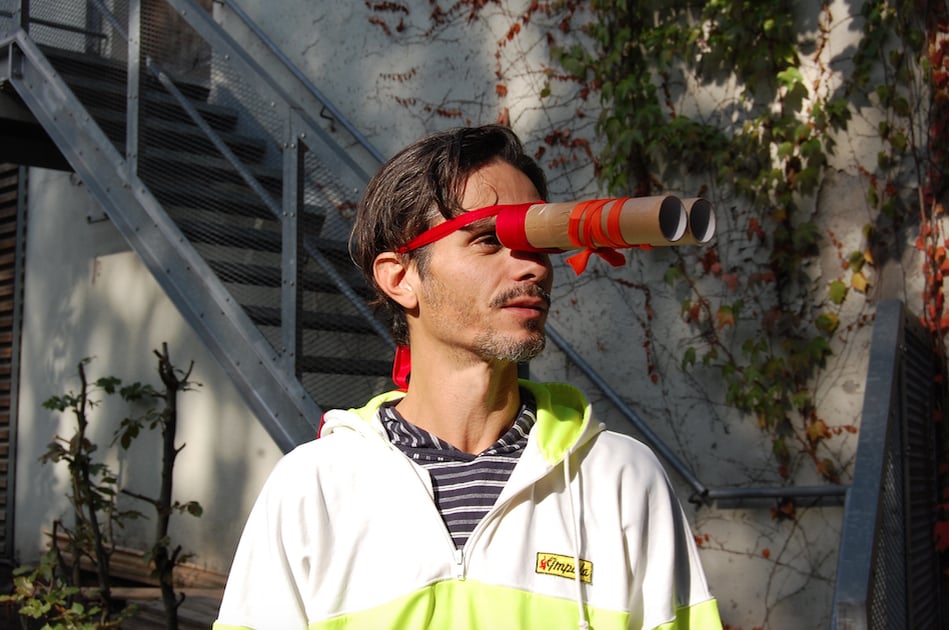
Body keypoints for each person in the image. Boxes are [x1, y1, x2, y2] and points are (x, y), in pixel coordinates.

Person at [213, 124, 722, 630]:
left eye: (538, 243)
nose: (532, 269)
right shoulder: (314, 488)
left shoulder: (620, 478)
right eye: (489, 240)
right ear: (400, 277)